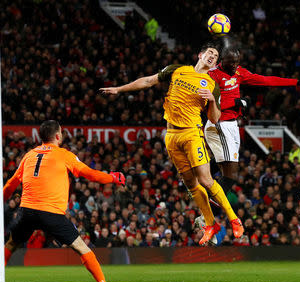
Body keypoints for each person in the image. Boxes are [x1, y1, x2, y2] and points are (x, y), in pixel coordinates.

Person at [100, 42, 244, 246]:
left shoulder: (212, 84)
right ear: (200, 55)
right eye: (210, 53)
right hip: (171, 136)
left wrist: (212, 101)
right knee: (191, 185)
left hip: (192, 134)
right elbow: (149, 81)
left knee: (206, 180)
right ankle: (211, 224)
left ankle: (234, 219)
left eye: (216, 55)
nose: (212, 56)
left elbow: (214, 118)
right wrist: (119, 89)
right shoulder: (177, 70)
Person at [0, 120, 125, 282]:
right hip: (50, 212)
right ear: (58, 136)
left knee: (10, 246)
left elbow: (11, 184)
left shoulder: (29, 155)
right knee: (82, 248)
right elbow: (90, 174)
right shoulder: (63, 154)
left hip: (26, 211)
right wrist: (112, 178)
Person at [204, 45, 300, 195]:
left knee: (225, 168)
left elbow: (266, 80)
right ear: (222, 61)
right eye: (231, 63)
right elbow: (207, 104)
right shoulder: (212, 76)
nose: (235, 66)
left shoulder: (239, 72)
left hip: (232, 124)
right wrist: (236, 102)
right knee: (230, 175)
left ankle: (198, 182)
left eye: (237, 62)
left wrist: (296, 82)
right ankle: (207, 207)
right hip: (218, 124)